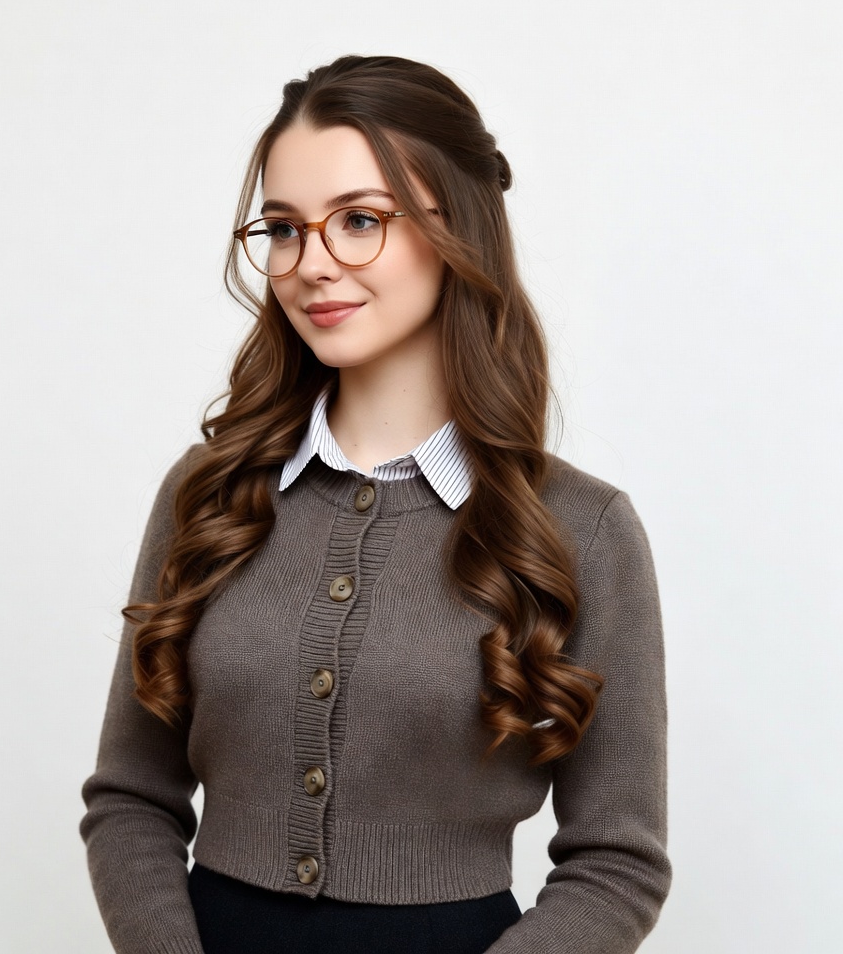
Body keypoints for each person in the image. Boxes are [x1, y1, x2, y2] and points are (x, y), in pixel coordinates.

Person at [80, 55, 671, 954]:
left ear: (457, 229)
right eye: (284, 228)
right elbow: (129, 796)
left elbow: (618, 862)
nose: (312, 264)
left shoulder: (581, 530)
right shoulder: (207, 494)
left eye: (359, 220)